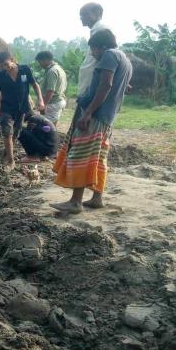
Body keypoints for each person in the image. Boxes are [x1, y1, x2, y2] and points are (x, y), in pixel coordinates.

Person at [51, 29, 132, 214]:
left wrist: (87, 113)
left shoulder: (109, 55)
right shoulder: (125, 59)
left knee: (81, 155)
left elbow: (106, 85)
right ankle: (97, 198)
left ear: (100, 47)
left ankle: (75, 202)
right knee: (98, 157)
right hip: (107, 117)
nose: (93, 55)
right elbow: (125, 87)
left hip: (95, 115)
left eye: (93, 50)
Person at [0, 51, 45, 170]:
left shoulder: (25, 69)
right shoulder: (0, 76)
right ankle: (11, 161)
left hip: (22, 108)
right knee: (7, 132)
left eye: (5, 64)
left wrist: (40, 100)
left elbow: (35, 85)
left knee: (16, 132)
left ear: (12, 59)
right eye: (1, 65)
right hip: (6, 108)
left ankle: (7, 152)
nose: (4, 67)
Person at [78, 3, 113, 97]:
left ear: (97, 13)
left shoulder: (102, 30)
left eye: (85, 14)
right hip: (89, 82)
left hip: (93, 84)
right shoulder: (96, 30)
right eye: (80, 15)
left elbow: (109, 57)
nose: (81, 18)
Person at [35, 51, 67, 125]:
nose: (40, 64)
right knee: (52, 125)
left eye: (40, 62)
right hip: (58, 101)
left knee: (46, 127)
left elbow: (50, 91)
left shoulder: (52, 71)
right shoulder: (59, 68)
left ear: (45, 60)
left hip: (52, 102)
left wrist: (44, 105)